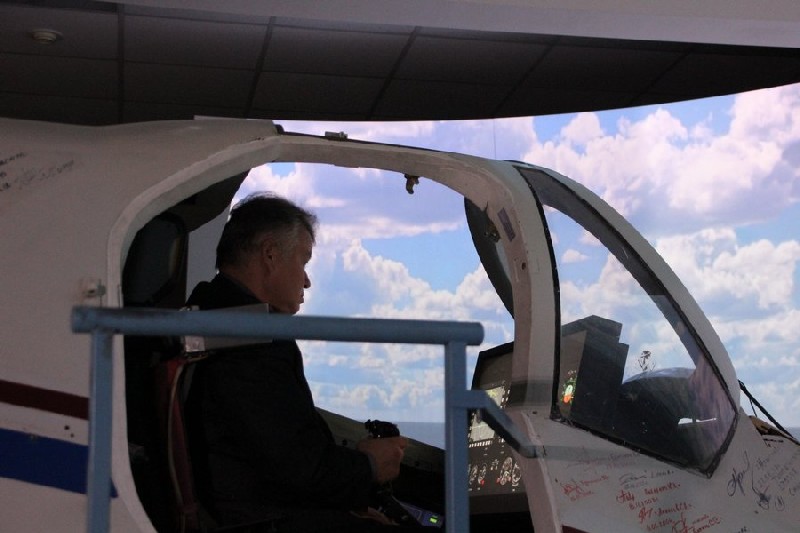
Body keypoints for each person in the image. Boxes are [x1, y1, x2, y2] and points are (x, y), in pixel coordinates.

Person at [183, 193, 417, 532]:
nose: (306, 280)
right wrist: (369, 465)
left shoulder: (208, 320)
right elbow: (300, 470)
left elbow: (277, 453)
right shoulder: (253, 342)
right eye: (303, 261)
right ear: (270, 254)